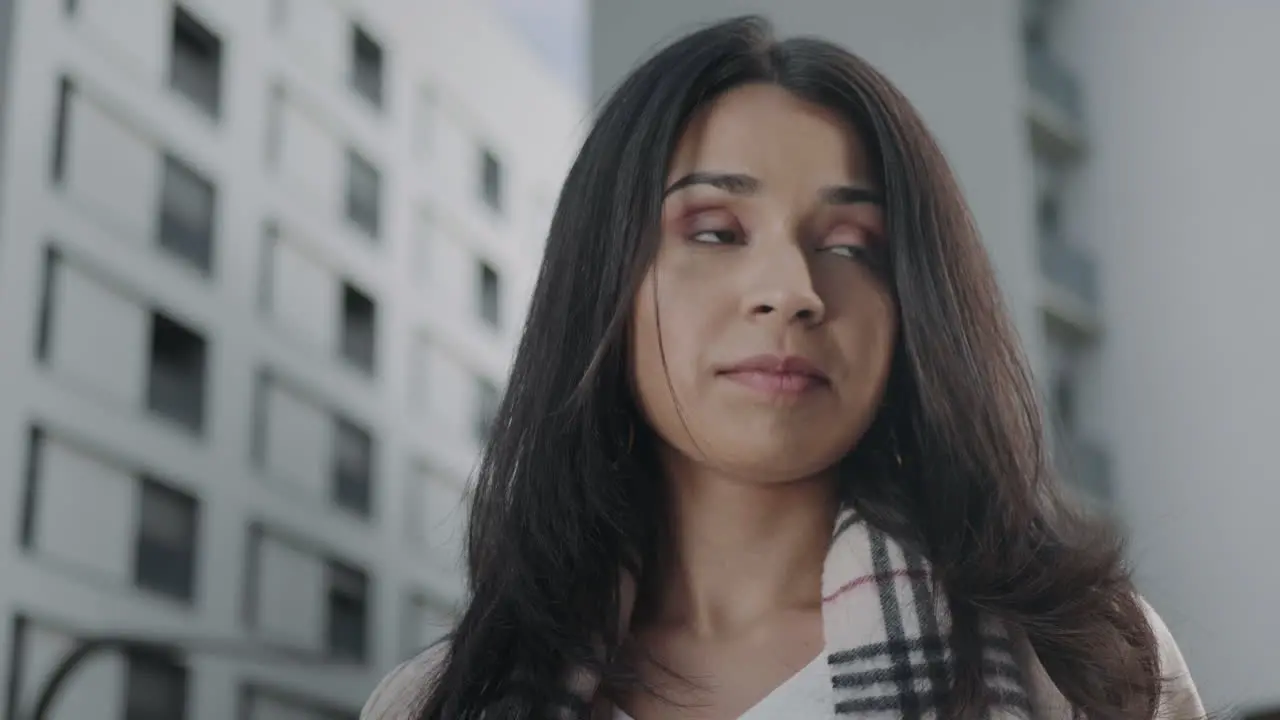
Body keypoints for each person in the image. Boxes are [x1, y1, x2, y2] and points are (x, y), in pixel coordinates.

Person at [363, 15, 1204, 720]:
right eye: (715, 231)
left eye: (850, 245)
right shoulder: (439, 702)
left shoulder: (1086, 662)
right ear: (603, 278)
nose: (793, 292)